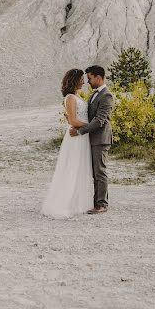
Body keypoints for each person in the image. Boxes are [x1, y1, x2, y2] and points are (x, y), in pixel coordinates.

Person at [41, 69, 94, 218]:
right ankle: (64, 203)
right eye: (81, 79)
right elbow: (72, 121)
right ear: (74, 80)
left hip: (81, 135)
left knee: (80, 168)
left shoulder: (77, 96)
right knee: (72, 167)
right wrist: (92, 126)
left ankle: (77, 202)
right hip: (75, 137)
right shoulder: (70, 98)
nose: (83, 82)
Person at [70, 65, 114, 214]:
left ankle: (101, 205)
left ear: (98, 77)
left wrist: (80, 131)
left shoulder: (106, 95)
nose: (87, 82)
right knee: (95, 172)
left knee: (100, 172)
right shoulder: (95, 94)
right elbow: (89, 116)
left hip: (101, 139)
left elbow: (100, 120)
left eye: (89, 78)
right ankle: (97, 203)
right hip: (92, 138)